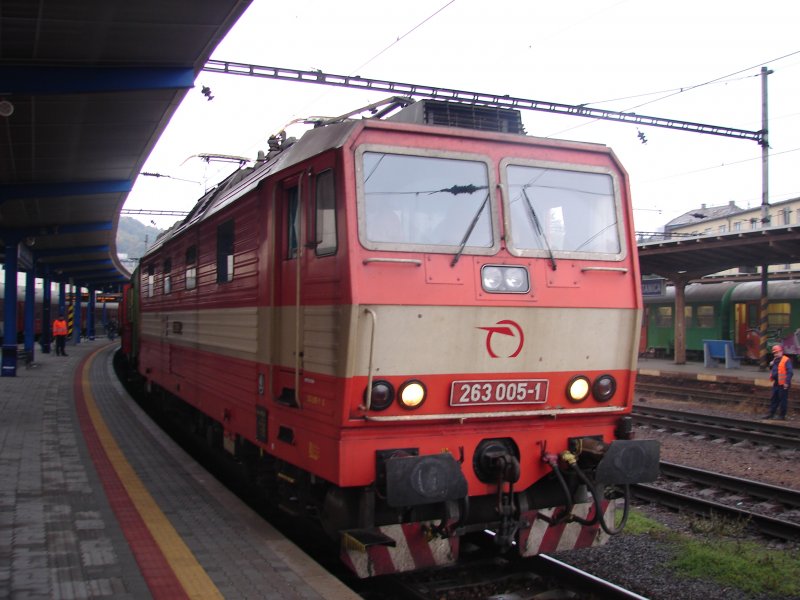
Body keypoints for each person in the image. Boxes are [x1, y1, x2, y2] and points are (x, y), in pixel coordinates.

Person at [763, 344, 792, 420]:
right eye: (774, 353)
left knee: (782, 400)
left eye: (777, 352)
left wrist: (787, 382)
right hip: (776, 383)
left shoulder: (786, 360)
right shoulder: (775, 360)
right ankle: (771, 414)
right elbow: (773, 370)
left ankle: (782, 416)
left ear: (781, 352)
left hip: (783, 384)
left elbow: (790, 372)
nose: (776, 354)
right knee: (774, 399)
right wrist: (770, 365)